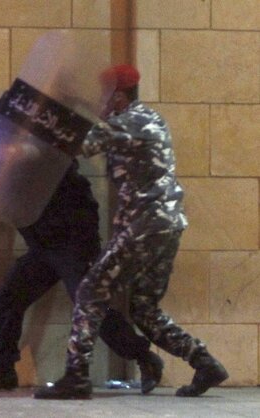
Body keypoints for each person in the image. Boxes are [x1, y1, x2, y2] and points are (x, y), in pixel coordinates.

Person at [0, 100, 162, 394]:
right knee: (8, 299)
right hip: (43, 245)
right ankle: (4, 370)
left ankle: (145, 357)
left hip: (72, 244)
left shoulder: (39, 148)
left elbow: (13, 163)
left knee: (91, 308)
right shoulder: (5, 154)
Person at [34, 65, 229, 400]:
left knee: (90, 291)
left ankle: (76, 377)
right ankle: (204, 362)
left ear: (119, 97)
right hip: (164, 225)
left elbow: (80, 144)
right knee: (143, 308)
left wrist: (42, 119)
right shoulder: (145, 119)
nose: (101, 102)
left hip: (145, 226)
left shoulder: (129, 122)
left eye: (105, 96)